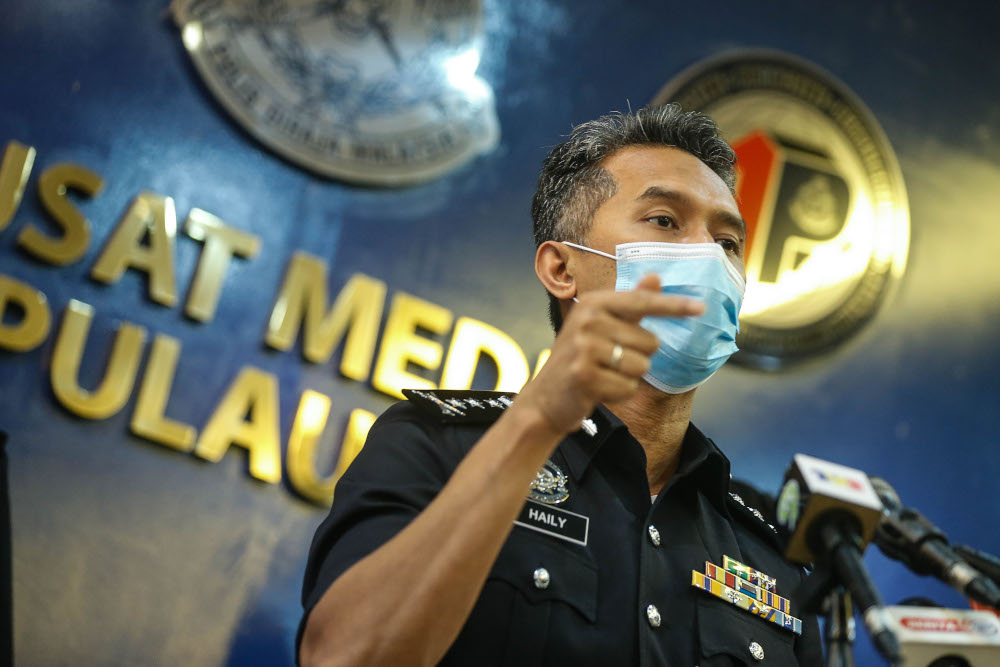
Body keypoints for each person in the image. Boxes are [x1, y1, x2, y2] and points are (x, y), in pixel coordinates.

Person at [298, 104, 823, 666]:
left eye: (727, 242)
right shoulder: (437, 447)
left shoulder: (771, 555)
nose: (708, 257)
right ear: (561, 269)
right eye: (666, 221)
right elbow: (342, 656)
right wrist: (535, 424)